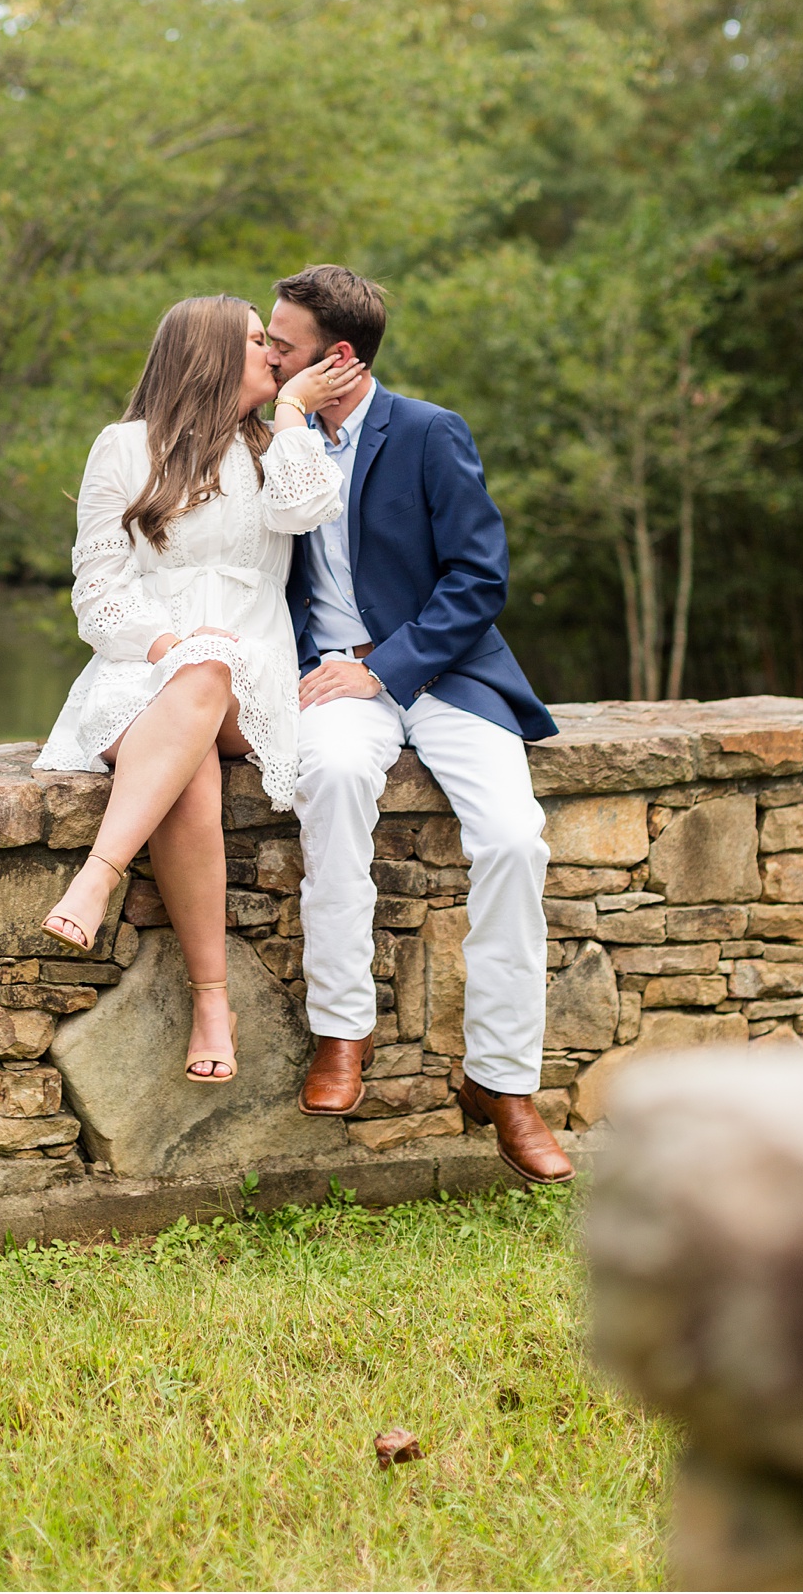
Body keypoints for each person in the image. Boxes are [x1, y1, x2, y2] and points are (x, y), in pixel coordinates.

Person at [264, 264, 574, 1185]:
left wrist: (386, 668)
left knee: (515, 840)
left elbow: (479, 579)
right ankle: (342, 1031)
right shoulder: (271, 436)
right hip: (327, 677)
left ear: (337, 356)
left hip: (443, 673)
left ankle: (503, 1083)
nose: (268, 356)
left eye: (282, 344)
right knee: (332, 780)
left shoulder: (431, 432)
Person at [34, 294, 365, 1084]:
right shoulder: (123, 448)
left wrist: (292, 412)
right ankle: (213, 1003)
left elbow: (309, 507)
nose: (274, 355)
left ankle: (98, 875)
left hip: (252, 679)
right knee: (193, 763)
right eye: (257, 342)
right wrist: (163, 649)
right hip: (140, 668)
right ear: (210, 354)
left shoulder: (275, 447)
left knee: (213, 667)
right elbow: (97, 591)